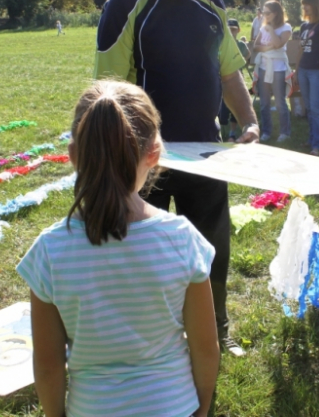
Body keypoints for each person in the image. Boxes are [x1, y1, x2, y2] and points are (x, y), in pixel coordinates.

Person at [94, 0, 259, 358]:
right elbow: (108, 94)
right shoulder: (124, 7)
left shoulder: (210, 4)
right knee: (141, 248)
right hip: (146, 159)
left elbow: (228, 71)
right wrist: (130, 156)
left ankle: (215, 328)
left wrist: (249, 121)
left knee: (211, 246)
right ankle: (145, 335)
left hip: (207, 151)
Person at [18, 81, 219, 417]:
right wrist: (201, 408)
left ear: (72, 156)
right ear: (154, 155)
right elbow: (205, 349)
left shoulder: (49, 253)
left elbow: (49, 364)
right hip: (175, 407)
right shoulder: (182, 239)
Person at [252, 0, 293, 142]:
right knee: (264, 103)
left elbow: (278, 44)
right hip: (264, 67)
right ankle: (267, 131)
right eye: (263, 12)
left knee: (280, 102)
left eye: (267, 13)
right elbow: (256, 46)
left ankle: (285, 132)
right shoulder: (263, 28)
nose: (264, 15)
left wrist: (270, 30)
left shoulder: (286, 27)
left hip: (278, 69)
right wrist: (267, 48)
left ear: (276, 14)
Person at [297, 0, 319, 156]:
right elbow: (300, 50)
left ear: (315, 6)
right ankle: (311, 140)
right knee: (309, 108)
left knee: (316, 109)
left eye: (307, 5)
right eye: (303, 5)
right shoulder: (304, 26)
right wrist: (296, 70)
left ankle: (317, 145)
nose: (304, 8)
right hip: (303, 70)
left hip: (316, 72)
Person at [219, 18, 250, 141]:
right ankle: (222, 131)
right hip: (222, 78)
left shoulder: (241, 44)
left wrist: (241, 62)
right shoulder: (222, 42)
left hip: (236, 78)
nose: (231, 32)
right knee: (223, 107)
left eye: (234, 29)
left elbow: (248, 54)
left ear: (238, 30)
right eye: (229, 29)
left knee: (235, 105)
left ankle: (232, 133)